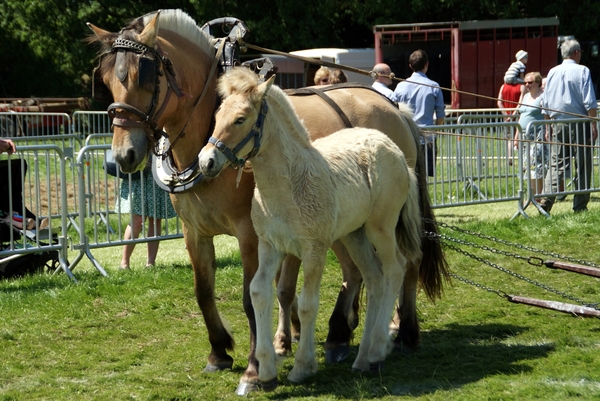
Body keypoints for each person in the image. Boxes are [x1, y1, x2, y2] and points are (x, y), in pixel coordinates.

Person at [539, 39, 597, 213]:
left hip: (557, 123)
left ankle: (546, 201)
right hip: (579, 122)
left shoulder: (552, 72)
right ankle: (579, 206)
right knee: (583, 164)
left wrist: (548, 126)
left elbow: (546, 103)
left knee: (556, 164)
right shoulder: (583, 71)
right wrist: (593, 124)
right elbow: (590, 102)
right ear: (576, 53)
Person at [116, 155, 177, 269]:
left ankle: (150, 263)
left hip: (157, 173)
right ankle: (124, 263)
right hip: (138, 172)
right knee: (137, 220)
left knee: (155, 219)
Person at [392, 50, 445, 176]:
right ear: (427, 64)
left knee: (408, 176)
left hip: (407, 137)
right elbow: (441, 116)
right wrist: (436, 131)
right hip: (427, 139)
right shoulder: (434, 86)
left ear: (410, 66)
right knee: (424, 178)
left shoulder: (400, 86)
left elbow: (393, 110)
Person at [515, 72, 548, 198]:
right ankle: (532, 194)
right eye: (526, 82)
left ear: (538, 83)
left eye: (530, 82)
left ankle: (539, 194)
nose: (527, 85)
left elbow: (547, 116)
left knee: (536, 165)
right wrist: (516, 136)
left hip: (538, 135)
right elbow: (521, 117)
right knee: (526, 165)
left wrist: (547, 131)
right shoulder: (525, 96)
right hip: (524, 136)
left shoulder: (543, 96)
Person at [498, 82, 525, 164]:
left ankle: (510, 158)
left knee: (509, 139)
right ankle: (522, 158)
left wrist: (506, 114)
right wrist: (513, 114)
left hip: (507, 117)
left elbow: (499, 102)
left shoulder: (503, 86)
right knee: (520, 137)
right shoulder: (522, 86)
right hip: (519, 116)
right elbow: (520, 103)